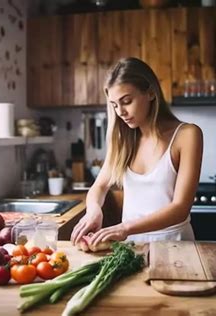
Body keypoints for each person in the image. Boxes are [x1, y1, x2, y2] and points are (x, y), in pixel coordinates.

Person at [71, 57, 203, 247]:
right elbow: (98, 187)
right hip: (132, 248)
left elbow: (180, 208)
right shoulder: (123, 140)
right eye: (114, 105)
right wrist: (93, 210)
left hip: (175, 246)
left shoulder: (187, 135)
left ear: (150, 93)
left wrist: (124, 228)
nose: (120, 112)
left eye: (126, 101)